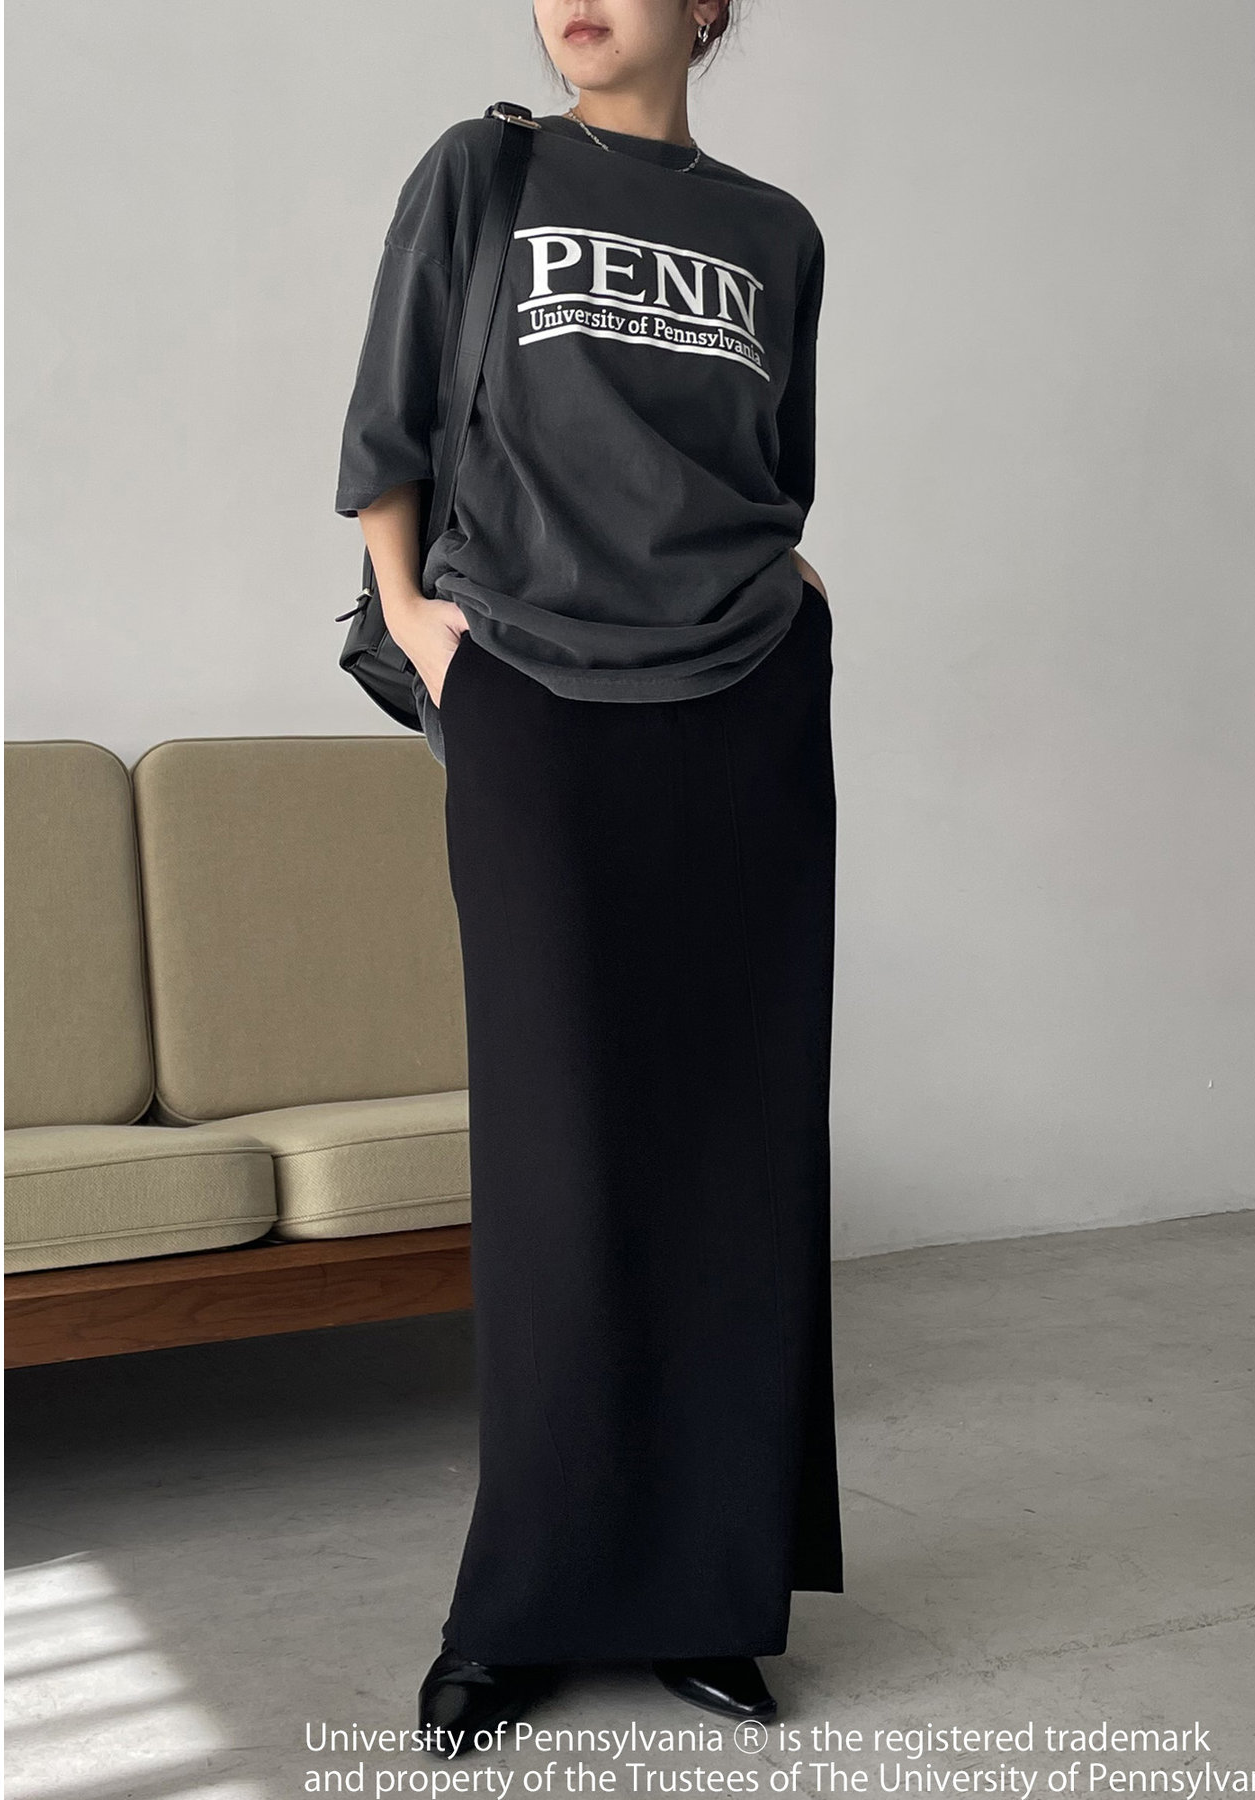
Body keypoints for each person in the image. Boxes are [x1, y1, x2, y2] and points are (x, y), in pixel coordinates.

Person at [334, 0, 841, 1754]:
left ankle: (708, 1596)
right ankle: (526, 1605)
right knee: (561, 1141)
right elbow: (393, 421)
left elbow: (768, 472)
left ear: (709, 9)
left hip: (744, 693)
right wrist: (418, 623)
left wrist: (794, 604)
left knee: (732, 1135)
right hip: (532, 687)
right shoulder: (485, 174)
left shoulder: (776, 232)